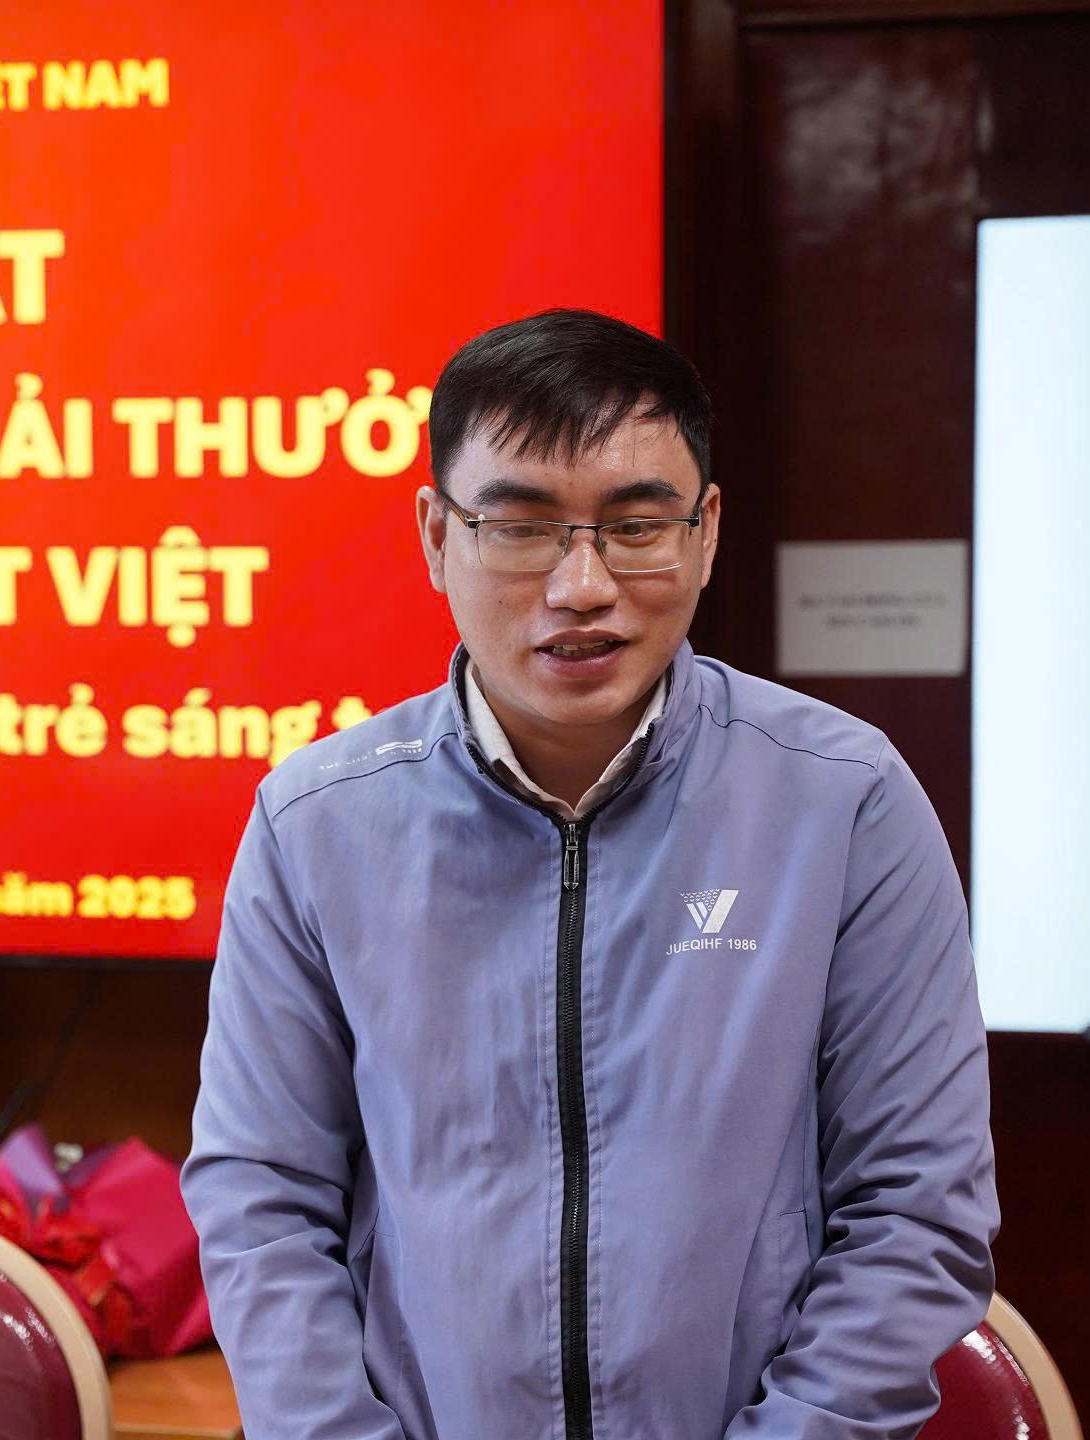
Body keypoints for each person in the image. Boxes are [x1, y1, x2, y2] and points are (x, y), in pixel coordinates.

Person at [183, 309, 997, 1439]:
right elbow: (261, 1204)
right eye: (521, 529)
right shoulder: (317, 823)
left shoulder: (842, 800)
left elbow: (915, 1209)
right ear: (435, 536)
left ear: (706, 533)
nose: (580, 585)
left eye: (636, 526)